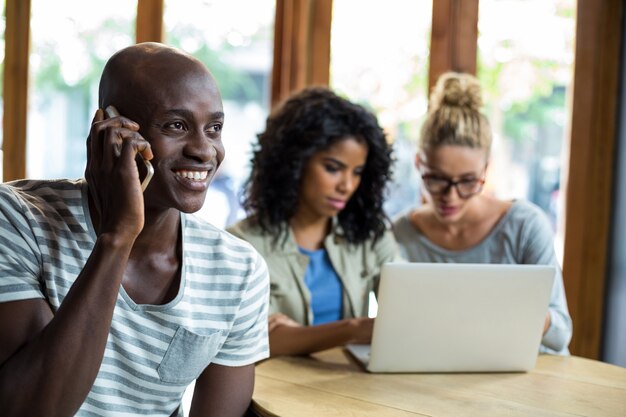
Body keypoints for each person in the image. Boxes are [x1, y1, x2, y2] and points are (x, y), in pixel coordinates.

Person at [0, 43, 269, 416]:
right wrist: (118, 237)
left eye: (214, 129)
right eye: (176, 125)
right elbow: (33, 409)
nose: (204, 151)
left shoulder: (239, 271)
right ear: (110, 128)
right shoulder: (16, 219)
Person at [392, 72, 572, 354]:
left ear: (486, 170)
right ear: (418, 163)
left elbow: (561, 333)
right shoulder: (400, 233)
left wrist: (514, 312)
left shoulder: (525, 225)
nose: (451, 196)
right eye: (436, 179)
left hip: (531, 375)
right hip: (443, 368)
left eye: (467, 181)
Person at [227, 87, 401, 357]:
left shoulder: (371, 236)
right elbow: (259, 341)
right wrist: (354, 329)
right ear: (294, 163)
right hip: (271, 393)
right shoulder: (243, 244)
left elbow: (407, 312)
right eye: (333, 168)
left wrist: (294, 334)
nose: (347, 185)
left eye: (357, 172)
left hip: (347, 387)